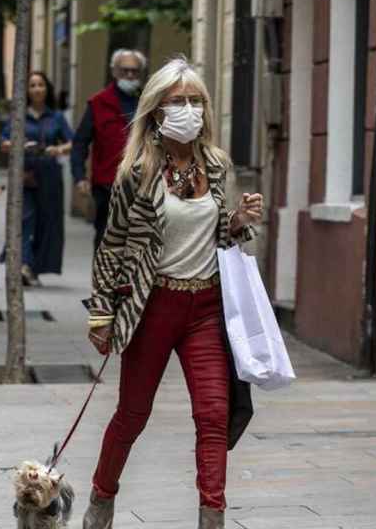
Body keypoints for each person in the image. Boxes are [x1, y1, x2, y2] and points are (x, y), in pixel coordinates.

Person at [81, 58, 264, 529]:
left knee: (213, 415)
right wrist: (102, 314)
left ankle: (213, 516)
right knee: (132, 415)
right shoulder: (137, 173)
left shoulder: (217, 166)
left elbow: (216, 232)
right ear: (157, 110)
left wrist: (238, 222)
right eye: (178, 101)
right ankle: (101, 500)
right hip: (152, 307)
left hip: (205, 307)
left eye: (196, 100)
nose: (189, 109)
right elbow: (113, 244)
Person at [0, 72, 73, 287]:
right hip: (24, 174)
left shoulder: (56, 117)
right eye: (32, 85)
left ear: (47, 89)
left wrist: (57, 149)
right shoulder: (19, 116)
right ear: (27, 90)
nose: (37, 89)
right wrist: (19, 146)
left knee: (46, 224)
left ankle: (33, 267)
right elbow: (4, 142)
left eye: (41, 84)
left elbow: (73, 142)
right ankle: (22, 265)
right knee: (24, 219)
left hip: (49, 176)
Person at [71, 49, 147, 248]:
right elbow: (80, 142)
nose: (130, 75)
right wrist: (79, 177)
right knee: (106, 236)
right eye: (125, 70)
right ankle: (102, 277)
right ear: (114, 71)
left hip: (142, 183)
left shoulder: (149, 103)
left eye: (134, 71)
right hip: (106, 184)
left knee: (138, 239)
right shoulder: (98, 103)